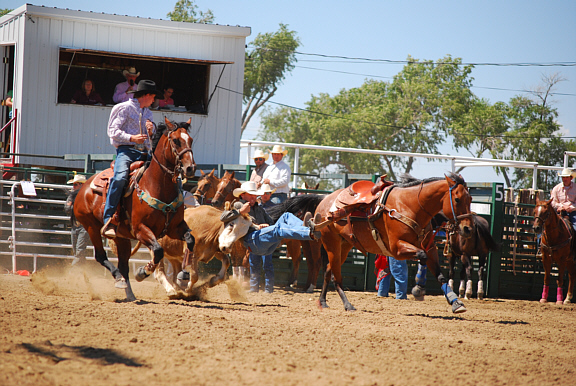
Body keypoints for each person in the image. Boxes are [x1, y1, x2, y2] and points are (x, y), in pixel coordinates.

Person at [222, 181, 325, 292]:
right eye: (250, 195)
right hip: (252, 239)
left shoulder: (259, 209)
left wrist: (268, 227)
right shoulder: (239, 205)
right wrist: (241, 212)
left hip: (262, 241)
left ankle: (307, 227)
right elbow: (223, 217)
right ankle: (309, 233)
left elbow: (271, 222)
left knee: (285, 216)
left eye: (255, 195)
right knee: (278, 229)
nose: (253, 198)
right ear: (243, 195)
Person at [101, 80, 162, 238]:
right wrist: (132, 138)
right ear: (146, 95)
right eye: (153, 96)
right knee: (120, 178)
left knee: (162, 173)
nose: (154, 100)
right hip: (126, 151)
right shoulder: (124, 108)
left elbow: (151, 135)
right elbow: (113, 131)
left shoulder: (148, 112)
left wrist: (152, 130)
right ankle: (109, 219)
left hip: (145, 152)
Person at [65, 174, 90, 266]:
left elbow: (68, 207)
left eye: (76, 184)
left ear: (82, 185)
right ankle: (84, 271)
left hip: (84, 227)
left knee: (79, 251)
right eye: (74, 184)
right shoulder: (72, 196)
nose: (73, 186)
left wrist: (71, 205)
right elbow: (66, 208)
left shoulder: (87, 196)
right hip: (75, 226)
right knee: (77, 251)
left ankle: (72, 272)